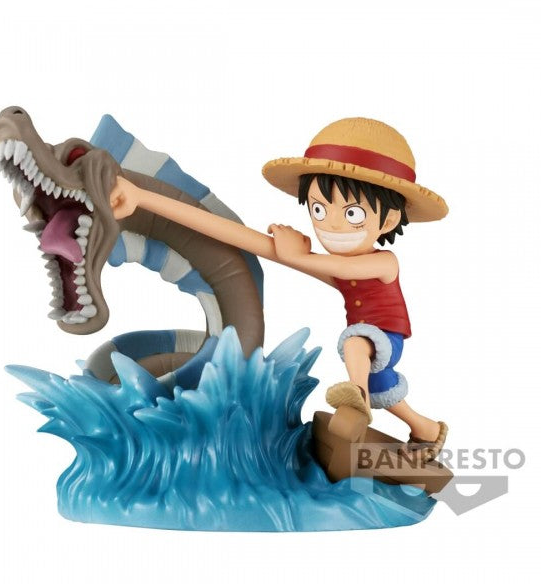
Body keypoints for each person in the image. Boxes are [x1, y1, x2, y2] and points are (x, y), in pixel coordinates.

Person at [109, 117, 449, 460]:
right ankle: (426, 430)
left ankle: (355, 399)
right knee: (383, 387)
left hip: (386, 338)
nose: (331, 224)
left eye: (352, 214)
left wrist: (294, 255)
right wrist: (142, 197)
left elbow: (340, 267)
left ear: (388, 220)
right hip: (369, 349)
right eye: (319, 209)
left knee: (355, 343)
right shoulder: (333, 268)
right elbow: (239, 236)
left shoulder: (385, 263)